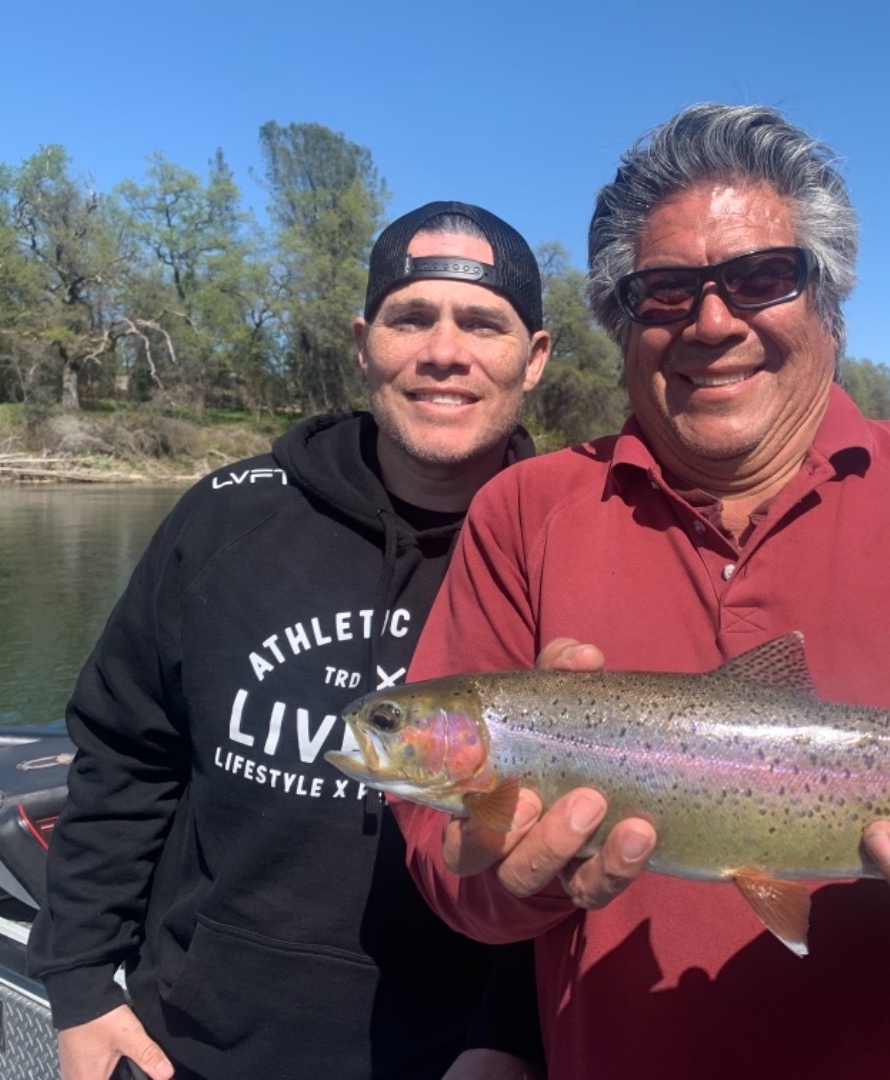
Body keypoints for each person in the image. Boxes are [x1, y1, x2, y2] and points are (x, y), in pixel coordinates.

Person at [393, 108, 890, 1079]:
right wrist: (510, 884)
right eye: (665, 291)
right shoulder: (522, 512)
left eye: (762, 277)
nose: (714, 320)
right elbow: (444, 866)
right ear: (618, 319)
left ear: (829, 298)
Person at [29, 201, 553, 1080]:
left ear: (532, 359)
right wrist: (80, 984)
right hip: (192, 1045)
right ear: (362, 342)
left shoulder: (563, 547)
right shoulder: (230, 515)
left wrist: (508, 1037)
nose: (444, 352)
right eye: (410, 318)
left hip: (457, 1058)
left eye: (483, 324)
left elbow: (592, 839)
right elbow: (124, 753)